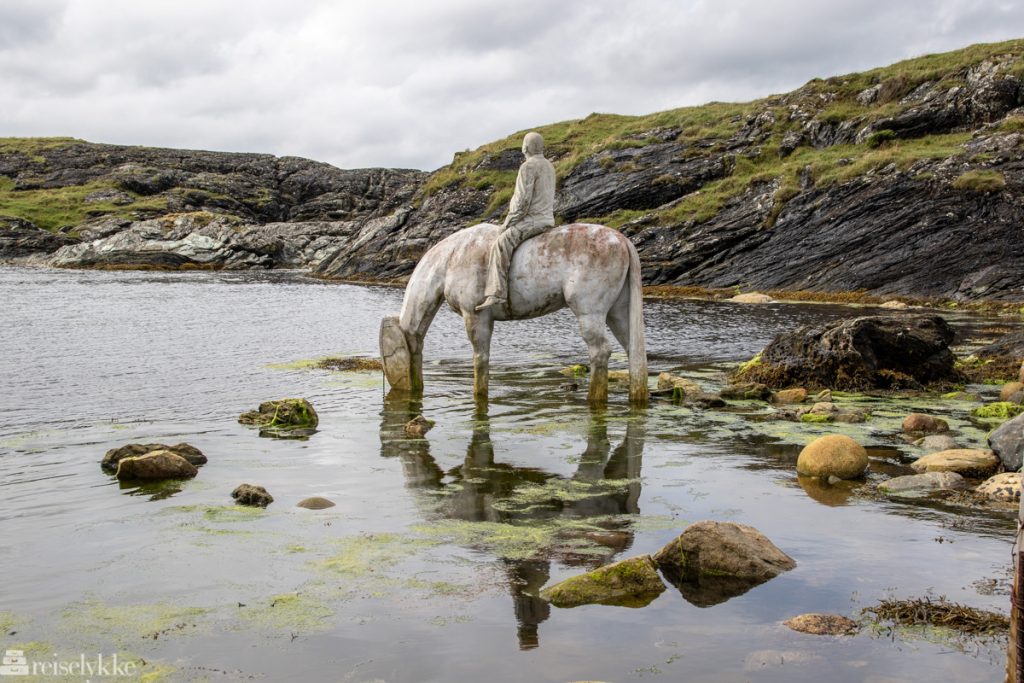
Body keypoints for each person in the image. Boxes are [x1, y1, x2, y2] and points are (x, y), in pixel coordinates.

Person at [476, 131, 556, 311]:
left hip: (532, 221)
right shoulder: (549, 166)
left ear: (525, 147)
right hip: (547, 219)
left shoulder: (528, 167)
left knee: (500, 244)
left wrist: (507, 224)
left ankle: (496, 292)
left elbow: (522, 202)